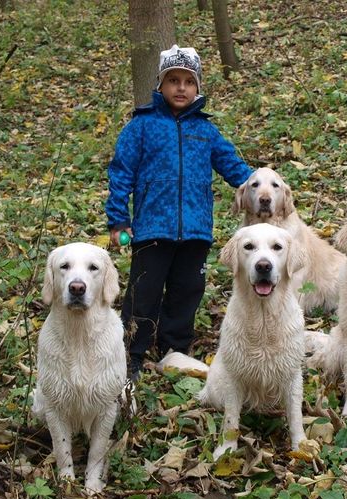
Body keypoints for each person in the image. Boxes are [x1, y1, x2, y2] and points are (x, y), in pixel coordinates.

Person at [105, 45, 253, 381]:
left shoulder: (206, 131)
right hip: (152, 229)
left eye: (189, 81)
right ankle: (131, 353)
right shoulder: (142, 126)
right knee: (145, 292)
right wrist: (118, 220)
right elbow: (121, 173)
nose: (181, 87)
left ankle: (175, 349)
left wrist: (264, 186)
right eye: (173, 80)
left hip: (196, 230)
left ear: (198, 87)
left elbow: (235, 168)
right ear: (160, 85)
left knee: (188, 290)